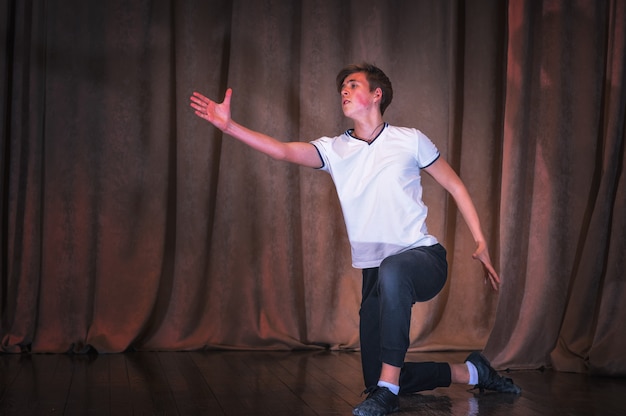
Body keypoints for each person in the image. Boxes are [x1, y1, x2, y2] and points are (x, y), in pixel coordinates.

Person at [190, 63, 521, 416]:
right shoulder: (334, 150)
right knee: (376, 377)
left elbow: (454, 185)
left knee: (393, 280)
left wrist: (481, 242)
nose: (343, 92)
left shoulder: (410, 139)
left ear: (377, 94)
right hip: (376, 275)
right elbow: (281, 150)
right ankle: (472, 371)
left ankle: (389, 392)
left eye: (352, 85)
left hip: (423, 259)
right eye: (342, 89)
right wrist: (229, 127)